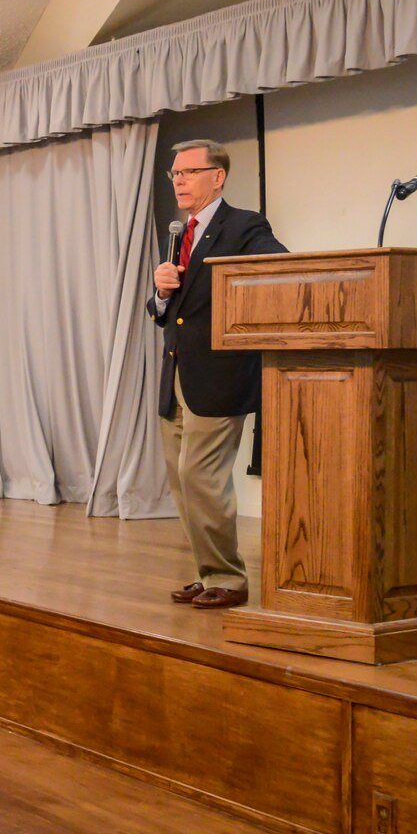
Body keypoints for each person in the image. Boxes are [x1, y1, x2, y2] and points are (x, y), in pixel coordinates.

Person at [149, 139, 287, 610]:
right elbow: (166, 313)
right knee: (181, 480)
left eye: (188, 172)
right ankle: (205, 571)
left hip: (220, 376)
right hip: (176, 375)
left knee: (200, 476)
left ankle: (228, 577)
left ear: (218, 176)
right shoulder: (178, 233)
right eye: (175, 174)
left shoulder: (245, 225)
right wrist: (161, 293)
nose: (179, 181)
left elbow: (276, 267)